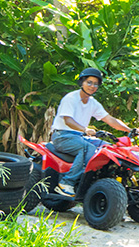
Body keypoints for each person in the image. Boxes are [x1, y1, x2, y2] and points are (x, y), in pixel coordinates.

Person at [52, 67, 133, 198]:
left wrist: (129, 130)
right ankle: (66, 183)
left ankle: (96, 180)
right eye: (89, 82)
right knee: (87, 148)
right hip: (62, 136)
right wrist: (85, 129)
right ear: (82, 82)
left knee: (108, 147)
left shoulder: (93, 103)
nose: (92, 86)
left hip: (79, 137)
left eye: (95, 84)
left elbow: (110, 120)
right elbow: (67, 120)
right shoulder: (70, 98)